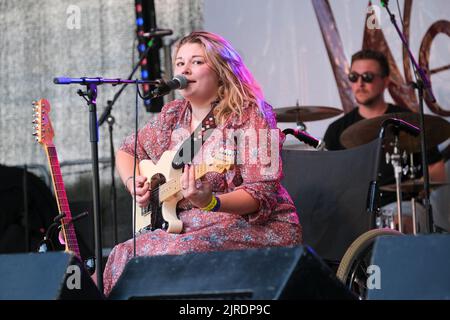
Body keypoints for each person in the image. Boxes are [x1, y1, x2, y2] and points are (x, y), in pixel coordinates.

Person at [103, 31, 302, 296]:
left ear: (221, 70)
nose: (185, 69)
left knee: (166, 254)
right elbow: (127, 151)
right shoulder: (173, 115)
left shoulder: (252, 115)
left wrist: (211, 202)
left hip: (253, 225)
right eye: (180, 63)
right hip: (186, 223)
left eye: (197, 62)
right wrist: (133, 184)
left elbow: (260, 194)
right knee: (124, 253)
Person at [323, 49, 446, 231]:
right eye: (353, 77)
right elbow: (328, 179)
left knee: (401, 224)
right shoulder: (336, 130)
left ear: (386, 81)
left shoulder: (409, 122)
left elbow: (437, 170)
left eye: (368, 77)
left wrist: (418, 187)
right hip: (354, 209)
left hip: (401, 205)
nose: (360, 83)